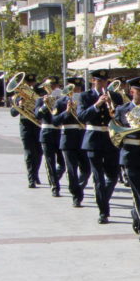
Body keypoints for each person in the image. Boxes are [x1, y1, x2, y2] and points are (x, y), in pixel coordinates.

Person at [113, 77, 140, 244]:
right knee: (139, 194)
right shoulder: (122, 109)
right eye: (138, 91)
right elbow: (115, 132)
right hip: (130, 154)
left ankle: (136, 212)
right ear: (131, 92)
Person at [78, 70, 124, 224]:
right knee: (99, 179)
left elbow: (124, 117)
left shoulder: (115, 96)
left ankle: (103, 198)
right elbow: (82, 117)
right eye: (99, 81)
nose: (103, 84)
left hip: (112, 139)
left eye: (105, 81)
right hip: (93, 140)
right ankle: (103, 211)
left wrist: (115, 111)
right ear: (93, 81)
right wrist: (97, 105)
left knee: (113, 176)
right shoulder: (85, 96)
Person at [53, 79, 90, 208]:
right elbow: (55, 121)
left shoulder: (85, 101)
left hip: (83, 137)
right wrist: (66, 112)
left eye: (78, 89)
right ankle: (76, 196)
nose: (76, 92)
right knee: (71, 170)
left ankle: (78, 187)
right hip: (68, 139)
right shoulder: (60, 102)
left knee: (86, 169)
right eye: (73, 89)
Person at [10, 87, 42, 188]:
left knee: (39, 152)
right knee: (29, 152)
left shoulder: (38, 95)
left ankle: (35, 173)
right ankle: (31, 178)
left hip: (37, 125)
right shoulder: (18, 98)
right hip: (25, 126)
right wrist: (19, 105)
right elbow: (13, 113)